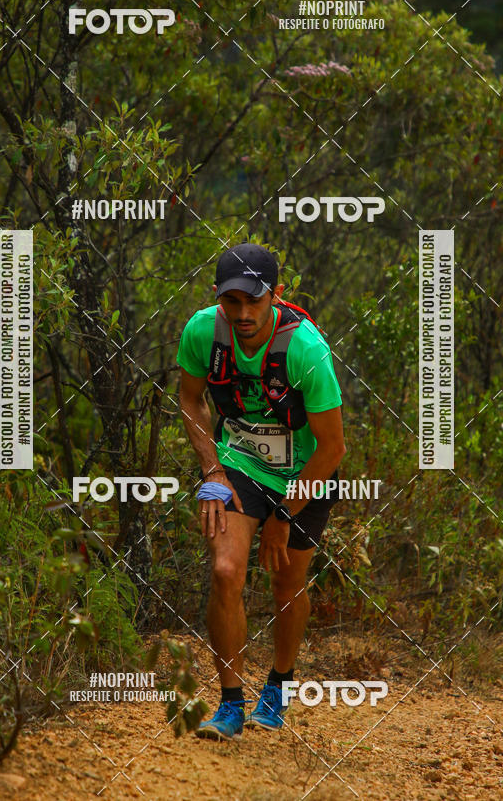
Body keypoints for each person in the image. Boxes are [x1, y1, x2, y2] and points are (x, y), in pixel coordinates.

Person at [177, 242, 345, 739]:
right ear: (217, 297)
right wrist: (213, 471)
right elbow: (190, 400)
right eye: (233, 301)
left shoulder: (305, 349)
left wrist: (283, 518)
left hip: (306, 472)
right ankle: (230, 705)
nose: (244, 313)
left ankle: (279, 685)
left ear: (275, 294)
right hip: (239, 466)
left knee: (285, 585)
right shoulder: (202, 332)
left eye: (255, 300)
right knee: (227, 570)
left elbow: (333, 448)